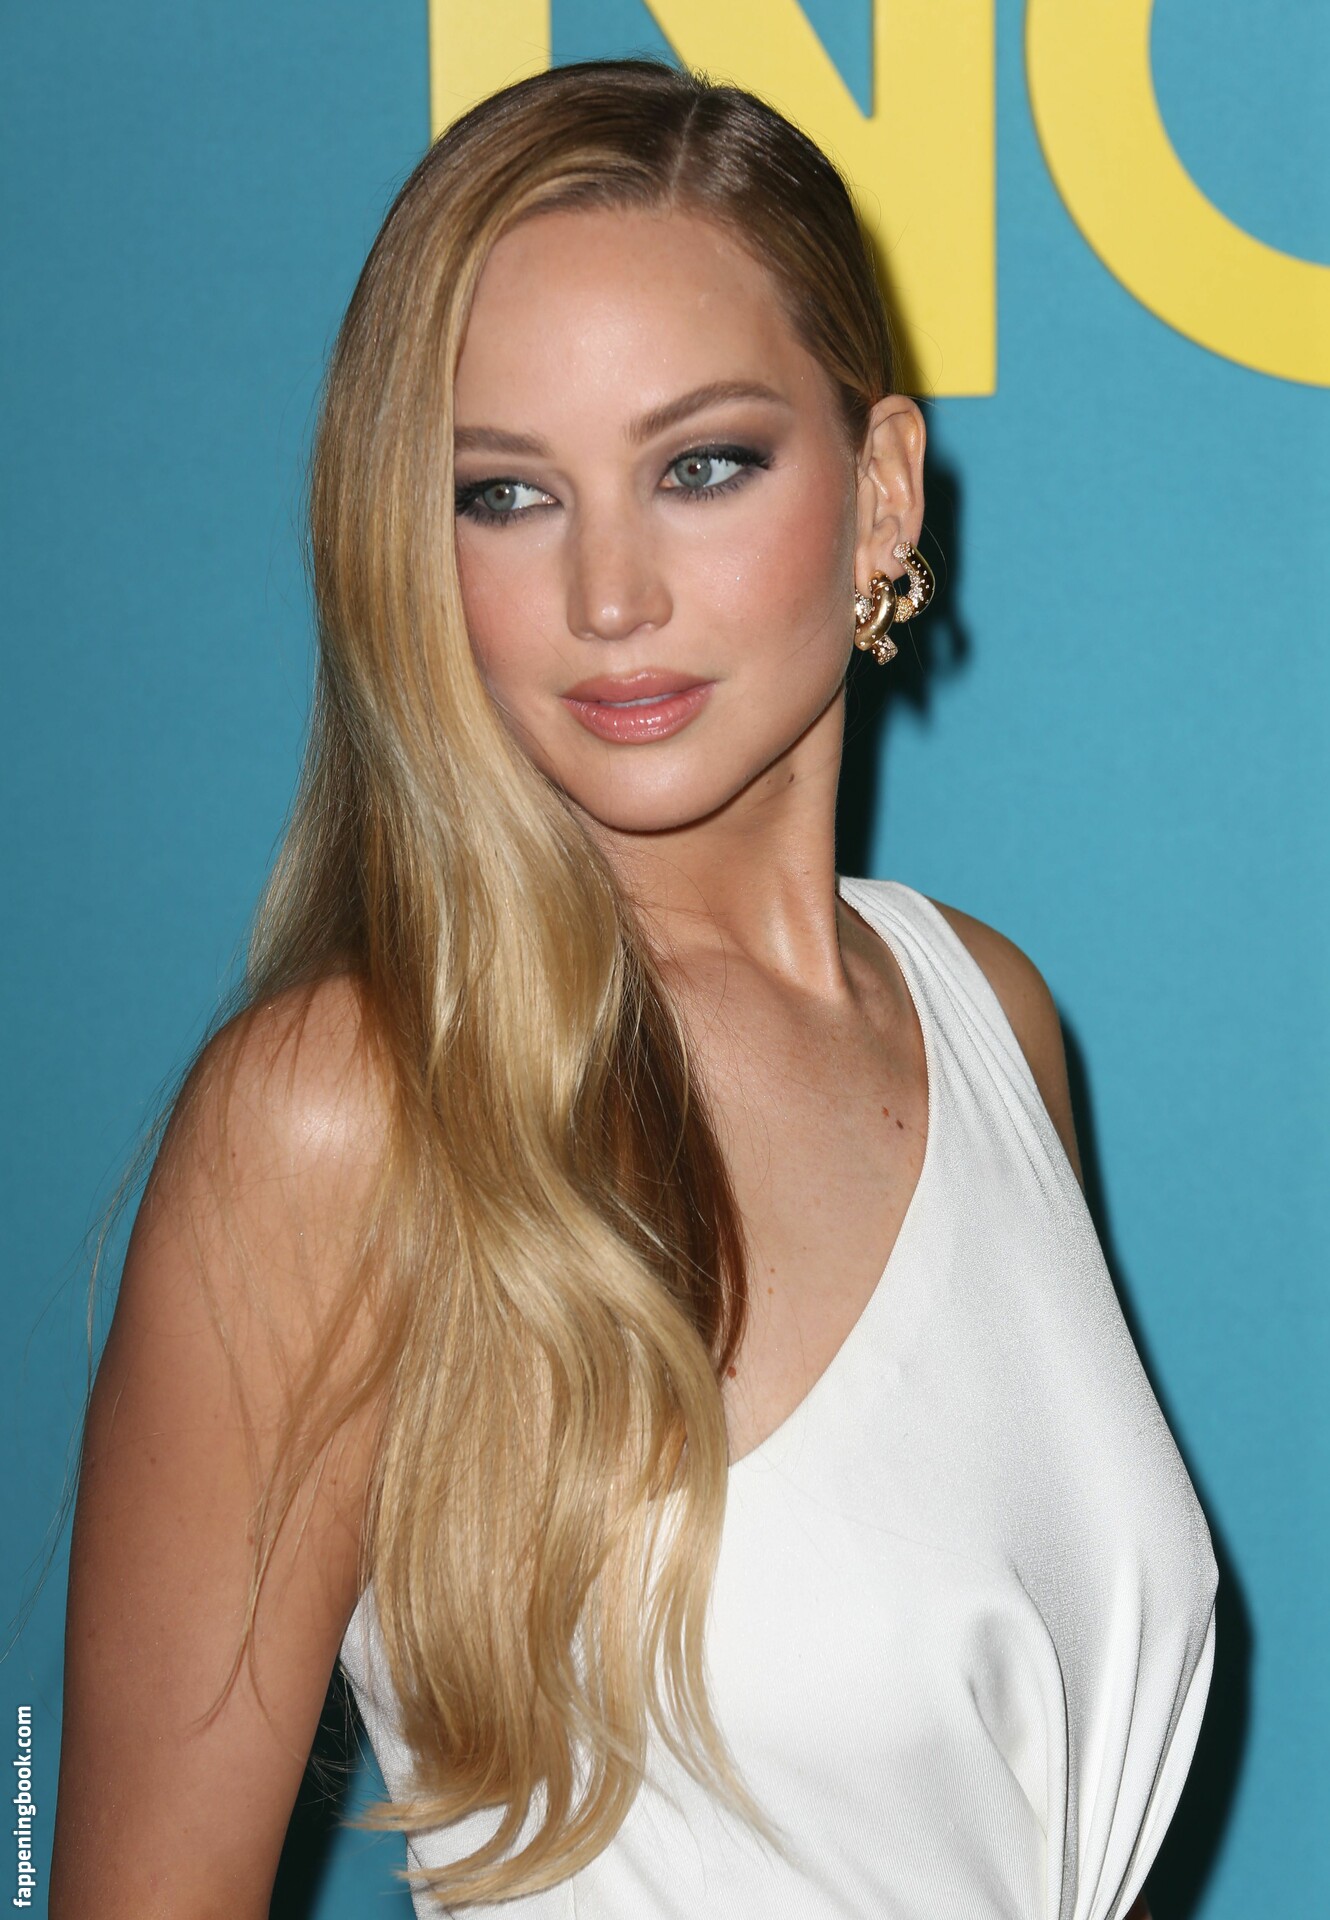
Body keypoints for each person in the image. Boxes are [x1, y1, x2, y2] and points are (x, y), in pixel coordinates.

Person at [49, 58, 1216, 1920]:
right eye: (505, 494)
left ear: (881, 493)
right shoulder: (347, 1114)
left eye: (699, 467)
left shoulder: (984, 1013)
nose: (608, 594)